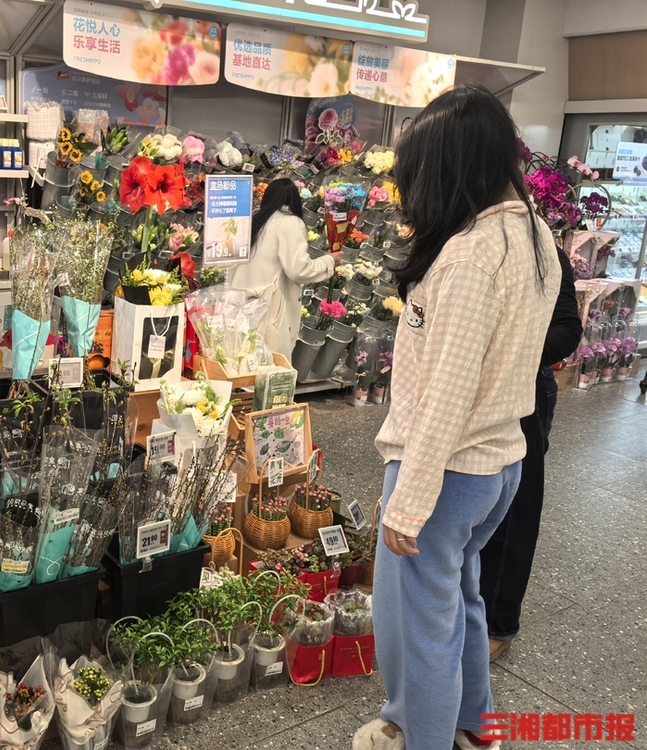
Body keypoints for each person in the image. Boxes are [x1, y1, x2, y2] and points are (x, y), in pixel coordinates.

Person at [352, 85, 561, 750]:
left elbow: (446, 394)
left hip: (445, 471)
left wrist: (408, 503)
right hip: (497, 465)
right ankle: (477, 725)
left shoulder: (471, 255)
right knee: (463, 601)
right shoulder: (532, 233)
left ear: (453, 164)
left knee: (424, 631)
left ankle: (426, 736)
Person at [481, 247, 582, 660]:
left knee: (514, 509)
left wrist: (508, 353)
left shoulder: (544, 252)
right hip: (470, 389)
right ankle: (460, 607)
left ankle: (498, 623)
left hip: (525, 389)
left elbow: (567, 330)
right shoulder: (462, 239)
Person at [229, 178, 341, 357]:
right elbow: (299, 269)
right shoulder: (291, 223)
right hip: (269, 309)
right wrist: (329, 261)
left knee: (240, 359)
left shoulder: (255, 220)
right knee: (269, 365)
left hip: (241, 304)